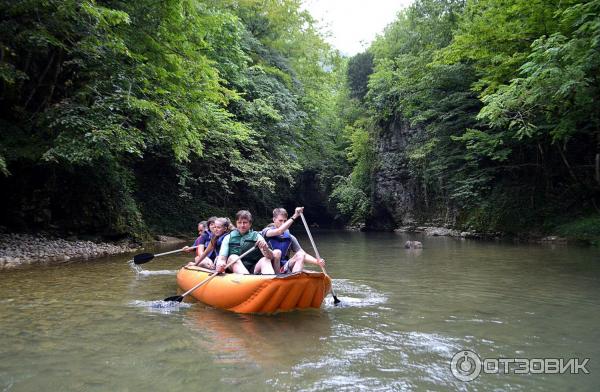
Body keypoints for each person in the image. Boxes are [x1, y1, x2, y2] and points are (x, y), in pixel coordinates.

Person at [262, 207, 325, 274]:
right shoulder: (266, 232)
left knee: (300, 254)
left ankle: (295, 277)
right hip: (269, 268)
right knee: (277, 252)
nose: (283, 223)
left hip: (284, 267)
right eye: (280, 221)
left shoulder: (290, 237)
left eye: (285, 221)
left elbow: (303, 254)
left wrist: (317, 261)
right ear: (274, 220)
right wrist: (295, 215)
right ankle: (278, 277)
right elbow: (279, 231)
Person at [215, 210, 275, 274]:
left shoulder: (257, 236)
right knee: (233, 257)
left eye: (245, 222)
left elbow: (270, 257)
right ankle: (248, 279)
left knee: (265, 260)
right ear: (236, 223)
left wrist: (266, 249)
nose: (242, 225)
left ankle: (271, 281)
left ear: (250, 224)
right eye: (239, 222)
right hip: (233, 267)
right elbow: (222, 258)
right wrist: (220, 264)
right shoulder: (228, 237)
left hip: (253, 268)